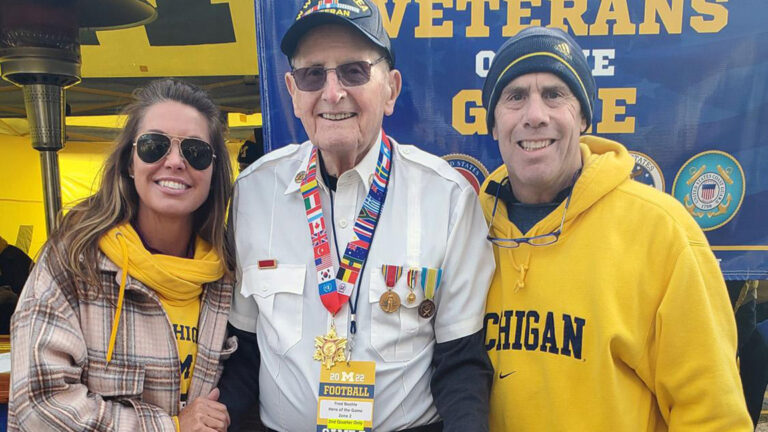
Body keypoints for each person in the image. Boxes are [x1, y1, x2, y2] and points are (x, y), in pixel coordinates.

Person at [219, 0, 495, 430]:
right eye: (313, 74)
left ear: (391, 89)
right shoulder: (254, 193)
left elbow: (461, 362)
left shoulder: (448, 198)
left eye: (354, 71)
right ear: (292, 92)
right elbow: (244, 349)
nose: (332, 93)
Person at [479, 27, 753, 431]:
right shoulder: (466, 229)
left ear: (585, 115)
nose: (534, 115)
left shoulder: (663, 231)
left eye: (555, 94)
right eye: (515, 96)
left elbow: (713, 414)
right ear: (493, 123)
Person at [9, 79, 236, 432]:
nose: (174, 161)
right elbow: (40, 406)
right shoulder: (74, 261)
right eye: (153, 146)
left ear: (213, 172)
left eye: (195, 152)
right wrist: (171, 427)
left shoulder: (226, 275)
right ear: (130, 163)